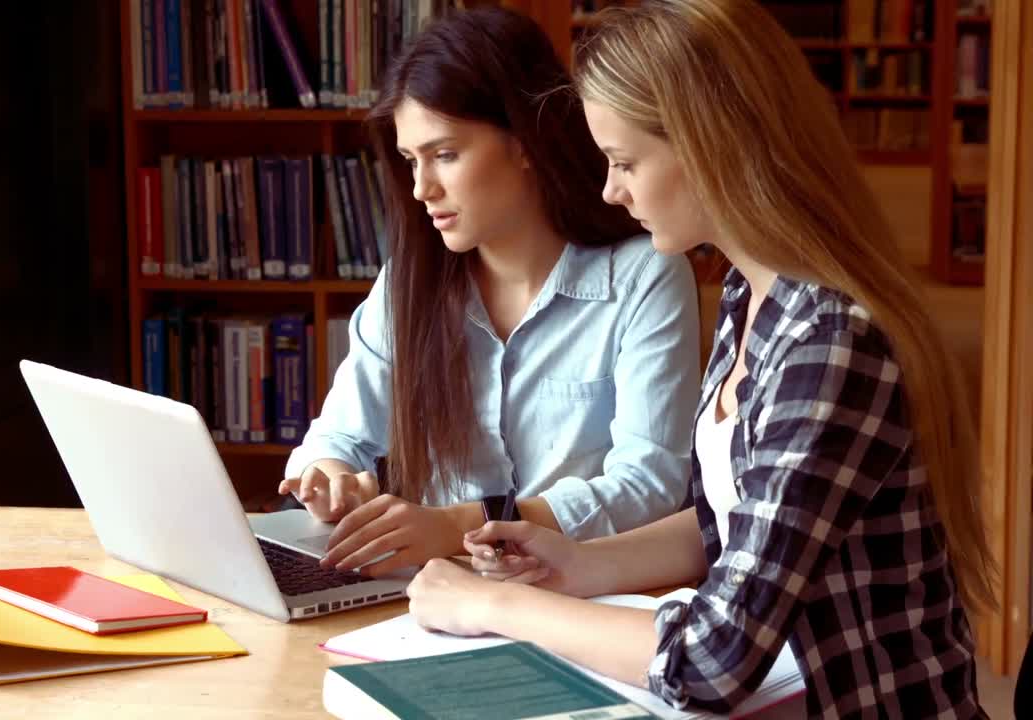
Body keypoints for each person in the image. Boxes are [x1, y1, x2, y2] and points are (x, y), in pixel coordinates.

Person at [404, 1, 995, 718]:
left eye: (624, 162)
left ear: (711, 146)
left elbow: (713, 660)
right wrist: (576, 565)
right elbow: (733, 521)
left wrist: (492, 606)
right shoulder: (753, 293)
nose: (609, 191)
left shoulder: (831, 346)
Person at [277, 7, 702, 577]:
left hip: (583, 592)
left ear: (524, 141)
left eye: (445, 154)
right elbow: (339, 437)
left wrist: (458, 523)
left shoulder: (643, 274)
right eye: (410, 160)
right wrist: (328, 476)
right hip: (439, 591)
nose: (423, 188)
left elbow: (648, 483)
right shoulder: (408, 282)